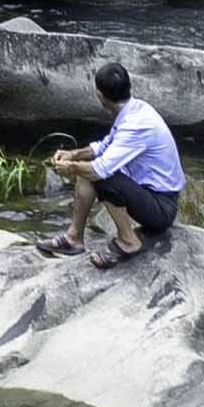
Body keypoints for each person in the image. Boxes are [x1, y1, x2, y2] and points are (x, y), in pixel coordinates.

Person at [43, 58, 181, 264]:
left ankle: (128, 241)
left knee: (101, 177)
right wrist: (73, 155)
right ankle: (74, 239)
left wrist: (70, 167)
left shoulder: (136, 125)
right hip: (151, 196)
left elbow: (100, 171)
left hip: (161, 208)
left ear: (100, 95)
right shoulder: (134, 109)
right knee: (89, 170)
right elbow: (104, 146)